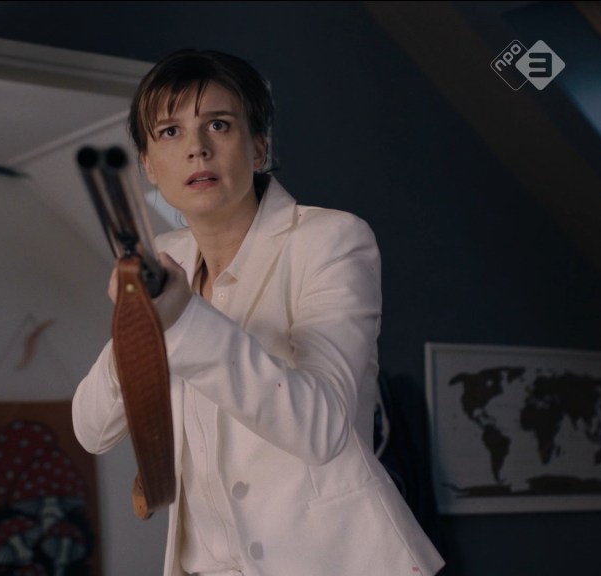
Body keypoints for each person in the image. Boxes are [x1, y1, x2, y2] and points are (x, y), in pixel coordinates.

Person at [72, 49, 445, 576]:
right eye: (171, 132)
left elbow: (322, 429)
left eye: (218, 125)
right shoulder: (166, 258)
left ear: (259, 147)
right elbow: (92, 430)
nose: (197, 148)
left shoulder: (332, 240)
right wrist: (136, 330)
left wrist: (184, 320)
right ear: (149, 166)